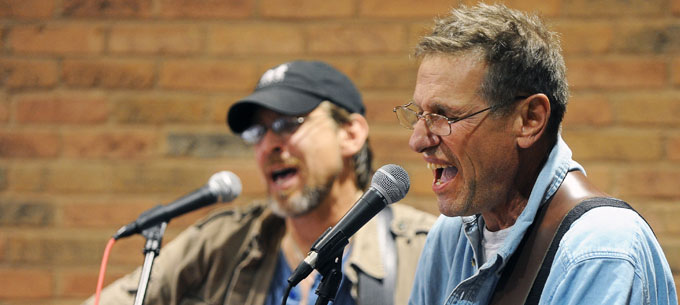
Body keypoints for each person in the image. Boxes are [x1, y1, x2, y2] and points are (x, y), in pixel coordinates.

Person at [84, 60, 436, 305]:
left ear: (350, 133)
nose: (269, 144)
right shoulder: (221, 243)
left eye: (287, 123)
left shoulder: (424, 246)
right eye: (258, 132)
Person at [399, 4, 677, 305]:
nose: (418, 140)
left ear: (530, 119)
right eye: (419, 114)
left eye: (444, 116)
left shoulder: (600, 249)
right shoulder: (450, 237)